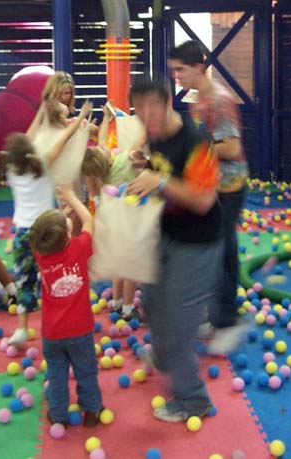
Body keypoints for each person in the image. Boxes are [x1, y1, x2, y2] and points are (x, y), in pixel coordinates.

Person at [127, 77, 223, 422]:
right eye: (139, 110)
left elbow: (202, 201)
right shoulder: (154, 135)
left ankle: (193, 399)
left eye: (153, 106)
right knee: (151, 300)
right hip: (166, 234)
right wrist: (146, 169)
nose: (147, 116)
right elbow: (162, 174)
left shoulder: (196, 140)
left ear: (169, 102)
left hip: (198, 242)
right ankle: (165, 357)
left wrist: (161, 182)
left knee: (177, 323)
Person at [168, 40, 250, 355]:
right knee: (214, 251)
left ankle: (228, 322)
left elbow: (230, 148)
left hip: (229, 189)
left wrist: (194, 151)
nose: (177, 76)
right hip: (211, 189)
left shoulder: (218, 100)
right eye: (174, 70)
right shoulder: (198, 101)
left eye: (181, 70)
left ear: (199, 67)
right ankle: (220, 315)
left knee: (220, 253)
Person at [0, 118, 87, 346]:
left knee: (24, 280)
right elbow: (62, 139)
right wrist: (79, 120)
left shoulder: (11, 171)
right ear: (30, 150)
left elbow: (23, 143)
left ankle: (22, 328)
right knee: (53, 277)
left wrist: (40, 113)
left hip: (23, 234)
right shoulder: (43, 165)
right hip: (46, 231)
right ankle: (58, 321)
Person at [28, 184, 103, 427]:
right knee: (86, 371)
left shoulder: (40, 254)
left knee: (57, 375)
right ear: (68, 236)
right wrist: (72, 196)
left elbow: (49, 231)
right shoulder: (79, 248)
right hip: (80, 330)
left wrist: (64, 211)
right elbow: (89, 220)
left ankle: (58, 414)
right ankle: (92, 411)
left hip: (52, 333)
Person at [82, 103, 140, 321]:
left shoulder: (101, 176)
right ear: (106, 157)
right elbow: (139, 143)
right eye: (102, 148)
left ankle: (115, 302)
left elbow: (104, 141)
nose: (104, 145)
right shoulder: (123, 162)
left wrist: (107, 118)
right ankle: (127, 307)